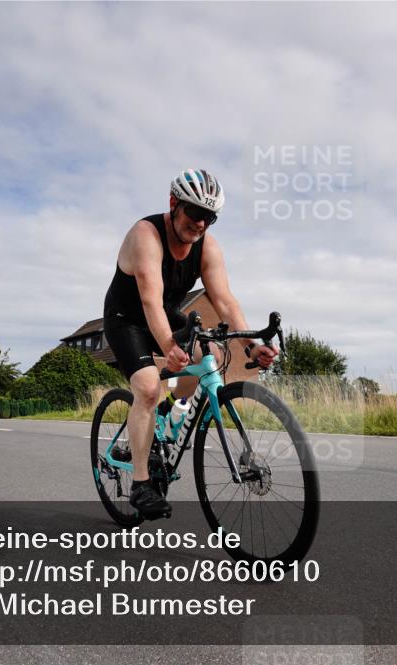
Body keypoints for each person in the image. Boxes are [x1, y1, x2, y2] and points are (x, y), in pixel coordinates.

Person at [103, 169, 277, 518]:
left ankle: (170, 411)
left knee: (210, 354)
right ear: (173, 203)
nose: (200, 224)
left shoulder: (207, 247)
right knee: (148, 388)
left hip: (165, 314)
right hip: (127, 319)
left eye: (209, 218)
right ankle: (141, 484)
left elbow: (225, 301)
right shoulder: (146, 235)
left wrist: (251, 345)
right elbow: (150, 301)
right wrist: (169, 346)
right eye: (195, 212)